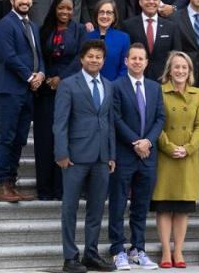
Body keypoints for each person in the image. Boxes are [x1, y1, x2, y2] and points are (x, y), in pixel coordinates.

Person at [54, 39, 116, 273]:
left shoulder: (108, 85)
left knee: (97, 208)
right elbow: (60, 122)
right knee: (70, 208)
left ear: (103, 61)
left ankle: (91, 254)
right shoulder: (68, 84)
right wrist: (61, 152)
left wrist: (111, 154)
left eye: (98, 57)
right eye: (90, 56)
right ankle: (70, 257)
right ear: (82, 59)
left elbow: (109, 122)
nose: (94, 60)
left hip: (101, 157)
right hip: (74, 157)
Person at [108, 44, 165, 271]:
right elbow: (116, 118)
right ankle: (118, 250)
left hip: (148, 155)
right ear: (126, 61)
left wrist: (147, 141)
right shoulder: (116, 86)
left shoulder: (154, 87)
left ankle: (138, 249)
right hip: (125, 154)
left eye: (141, 59)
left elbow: (160, 118)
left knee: (141, 205)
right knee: (118, 203)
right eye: (133, 58)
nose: (137, 62)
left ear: (147, 62)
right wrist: (136, 142)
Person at [151, 51, 199, 269]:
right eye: (176, 67)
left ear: (189, 70)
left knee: (183, 208)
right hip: (166, 156)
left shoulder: (198, 94)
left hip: (188, 157)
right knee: (165, 207)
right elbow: (155, 122)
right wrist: (169, 147)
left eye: (184, 67)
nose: (180, 71)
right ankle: (166, 251)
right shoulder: (159, 91)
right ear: (169, 70)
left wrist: (189, 148)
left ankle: (178, 250)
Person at [0, 0, 42, 202]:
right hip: (11, 90)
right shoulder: (5, 24)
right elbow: (8, 56)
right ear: (12, 0)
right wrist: (30, 77)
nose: (25, 1)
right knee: (8, 137)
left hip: (28, 92)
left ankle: (12, 183)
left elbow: (38, 55)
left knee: (20, 138)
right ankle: (3, 184)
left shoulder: (33, 26)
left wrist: (41, 73)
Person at [39, 0, 87, 201]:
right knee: (45, 138)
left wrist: (62, 79)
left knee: (65, 137)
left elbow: (80, 58)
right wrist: (46, 76)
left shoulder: (80, 30)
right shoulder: (44, 29)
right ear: (54, 8)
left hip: (70, 86)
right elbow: (39, 55)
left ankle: (62, 189)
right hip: (46, 89)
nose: (65, 12)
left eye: (69, 8)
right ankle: (44, 189)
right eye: (61, 8)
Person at [122, 0, 184, 79]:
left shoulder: (171, 27)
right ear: (140, 2)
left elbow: (177, 56)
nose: (151, 1)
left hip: (163, 80)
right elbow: (125, 56)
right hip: (136, 79)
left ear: (159, 2)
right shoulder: (128, 26)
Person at [85, 0, 130, 82]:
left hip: (114, 86)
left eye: (109, 13)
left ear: (114, 17)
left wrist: (114, 86)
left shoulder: (123, 38)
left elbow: (125, 67)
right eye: (101, 12)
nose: (104, 16)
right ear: (96, 15)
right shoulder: (87, 37)